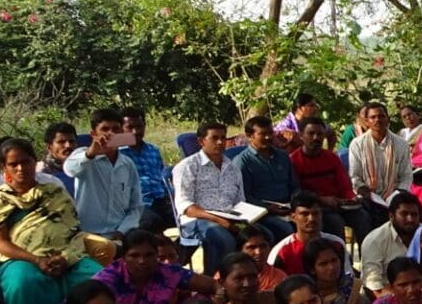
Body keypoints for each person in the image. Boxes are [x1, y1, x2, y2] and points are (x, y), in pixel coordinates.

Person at [0, 137, 109, 304]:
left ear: (35, 161)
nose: (20, 168)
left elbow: (75, 230)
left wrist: (65, 258)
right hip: (22, 260)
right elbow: (0, 243)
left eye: (25, 161)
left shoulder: (55, 191)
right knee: (21, 284)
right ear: (4, 167)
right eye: (13, 164)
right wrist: (36, 260)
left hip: (69, 256)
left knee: (101, 281)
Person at [94, 228, 214, 304]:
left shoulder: (168, 272)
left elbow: (213, 286)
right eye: (134, 255)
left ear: (156, 256)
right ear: (124, 258)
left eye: (149, 255)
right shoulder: (107, 279)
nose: (142, 261)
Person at [172, 121, 247, 271]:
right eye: (214, 138)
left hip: (229, 217)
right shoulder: (188, 166)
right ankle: (213, 282)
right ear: (201, 141)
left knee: (259, 235)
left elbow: (240, 201)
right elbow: (186, 206)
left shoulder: (232, 167)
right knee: (224, 240)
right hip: (198, 220)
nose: (220, 142)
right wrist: (218, 220)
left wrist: (243, 221)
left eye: (223, 138)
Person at [64, 108, 144, 240]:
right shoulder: (84, 155)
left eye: (115, 129)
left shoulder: (127, 164)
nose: (110, 134)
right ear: (93, 133)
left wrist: (122, 231)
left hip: (120, 233)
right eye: (105, 129)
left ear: (122, 132)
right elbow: (69, 169)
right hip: (89, 234)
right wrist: (91, 153)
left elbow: (136, 206)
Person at [289, 118, 371, 240]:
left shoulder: (332, 158)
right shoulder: (293, 161)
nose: (316, 138)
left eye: (320, 134)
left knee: (363, 217)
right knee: (336, 223)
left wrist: (351, 198)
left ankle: (367, 256)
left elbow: (345, 186)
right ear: (301, 135)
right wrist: (321, 199)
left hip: (339, 204)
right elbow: (297, 192)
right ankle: (339, 256)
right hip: (315, 206)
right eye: (311, 134)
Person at [230, 116, 301, 241]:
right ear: (249, 136)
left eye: (270, 133)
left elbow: (294, 185)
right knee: (286, 229)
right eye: (262, 134)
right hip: (262, 213)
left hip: (288, 208)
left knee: (316, 221)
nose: (268, 137)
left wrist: (295, 202)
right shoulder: (242, 162)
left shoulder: (283, 156)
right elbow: (243, 196)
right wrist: (267, 208)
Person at [347, 103, 412, 226]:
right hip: (367, 197)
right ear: (366, 121)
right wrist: (368, 194)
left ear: (387, 119)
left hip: (395, 196)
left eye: (381, 116)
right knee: (367, 217)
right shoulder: (357, 144)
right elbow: (355, 178)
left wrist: (397, 193)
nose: (377, 120)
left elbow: (406, 176)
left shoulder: (401, 144)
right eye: (373, 117)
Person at [118, 107, 176, 233]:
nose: (135, 131)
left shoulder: (152, 150)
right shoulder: (117, 153)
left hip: (162, 200)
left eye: (139, 126)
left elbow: (162, 176)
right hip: (139, 203)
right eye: (130, 127)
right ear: (121, 129)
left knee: (189, 219)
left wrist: (171, 194)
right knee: (151, 222)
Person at [358, 191, 422, 296]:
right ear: (391, 216)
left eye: (414, 214)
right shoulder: (375, 240)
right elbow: (373, 287)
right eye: (404, 214)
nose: (410, 219)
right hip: (385, 300)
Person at [265, 192, 346, 276]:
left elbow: (348, 279)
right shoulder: (281, 251)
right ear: (293, 217)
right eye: (304, 214)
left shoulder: (336, 244)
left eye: (315, 213)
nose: (311, 219)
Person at [305, 236, 366, 304]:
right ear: (312, 269)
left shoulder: (352, 288)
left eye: (334, 260)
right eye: (323, 264)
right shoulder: (307, 295)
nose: (331, 267)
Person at [41, 121, 78, 194]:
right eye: (61, 142)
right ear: (49, 147)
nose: (68, 146)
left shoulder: (85, 168)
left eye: (71, 141)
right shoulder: (43, 176)